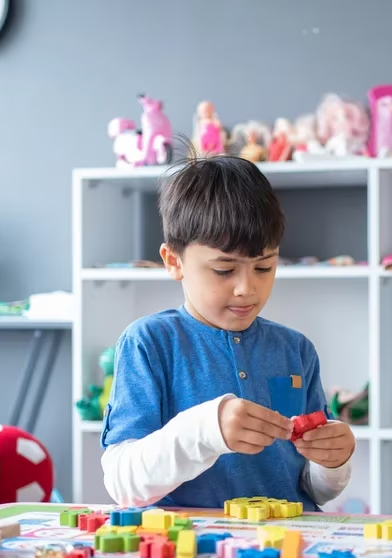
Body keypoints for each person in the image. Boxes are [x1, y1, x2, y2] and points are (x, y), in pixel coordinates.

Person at [100, 155, 356, 510]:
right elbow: (123, 483)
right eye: (223, 270)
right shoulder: (149, 343)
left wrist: (333, 462)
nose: (246, 288)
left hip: (287, 540)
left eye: (264, 266)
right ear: (174, 261)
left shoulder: (296, 349)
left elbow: (312, 490)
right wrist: (206, 430)